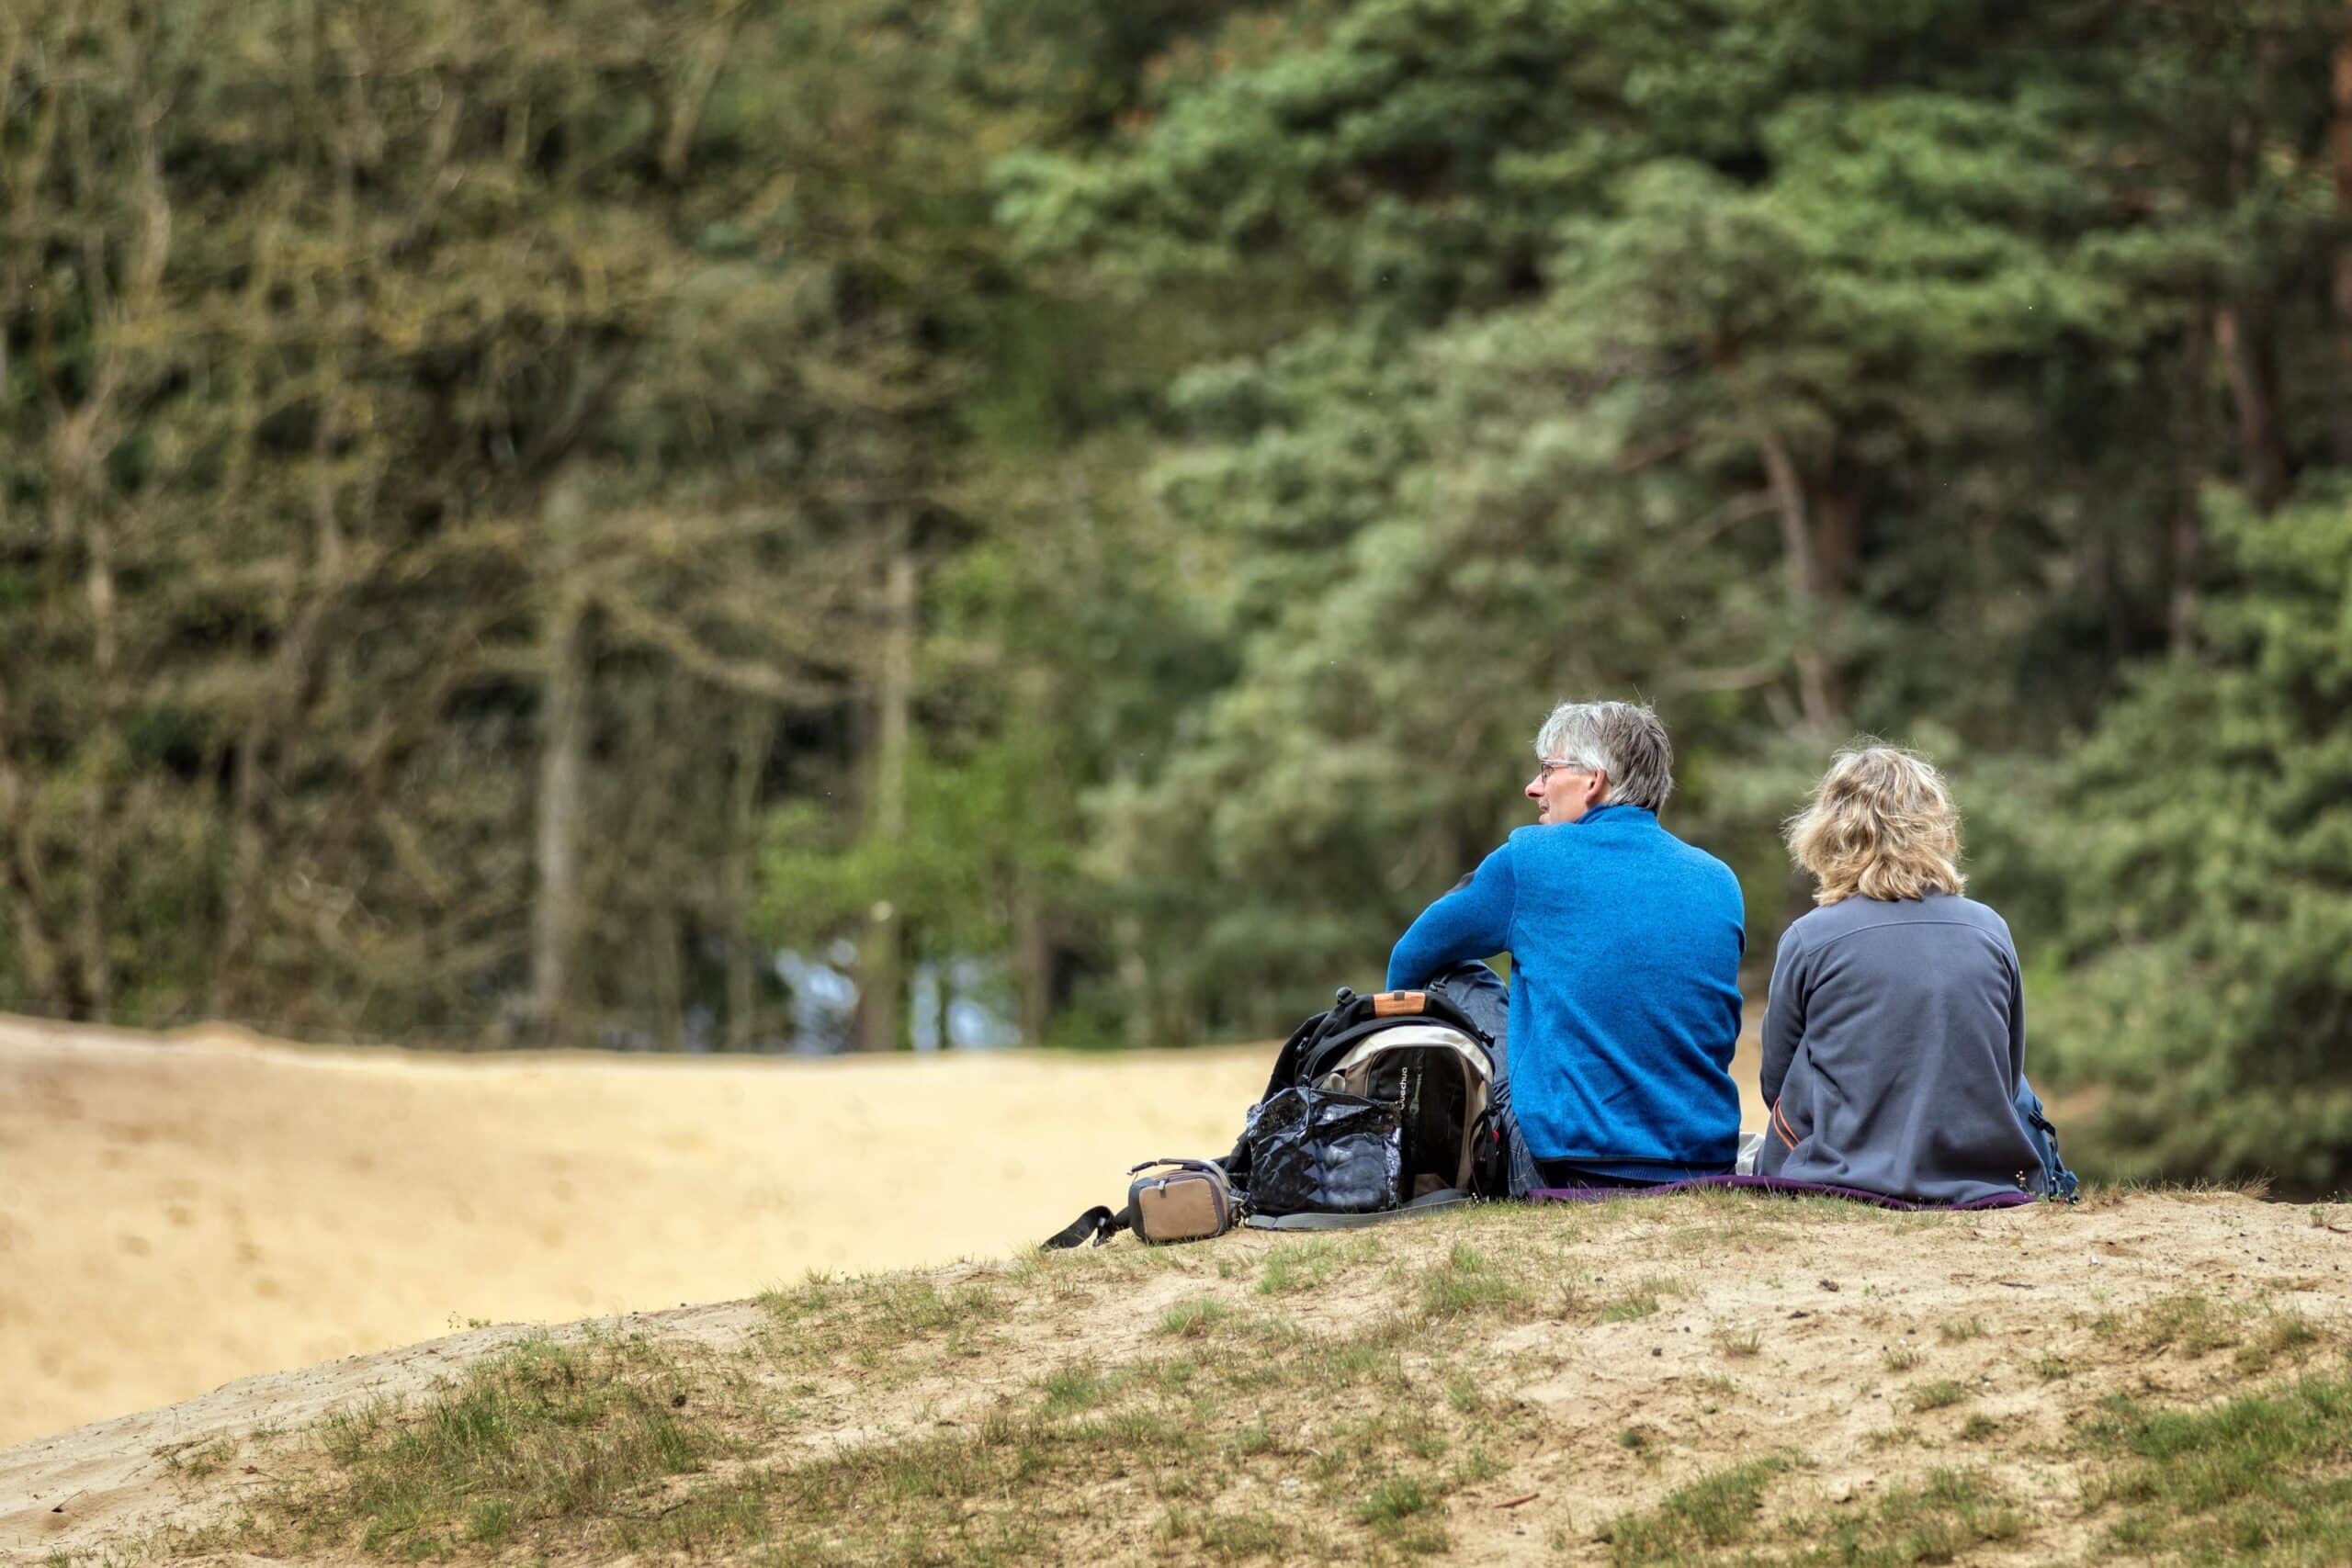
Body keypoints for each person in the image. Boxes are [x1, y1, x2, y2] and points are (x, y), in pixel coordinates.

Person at [1385, 701, 1746, 1190]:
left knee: (1453, 975)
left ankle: (1407, 1142)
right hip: (1704, 1161)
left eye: (1547, 770)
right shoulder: (1719, 879)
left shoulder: (1529, 859)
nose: (1533, 787)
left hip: (1566, 1166)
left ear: (1593, 780)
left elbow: (1411, 957)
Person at [1760, 746, 2049, 1203]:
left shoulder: (1809, 938)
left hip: (1840, 1170)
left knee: (1809, 1053)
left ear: (1831, 834)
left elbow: (1775, 1084)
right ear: (1934, 828)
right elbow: (2008, 1073)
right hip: (1976, 1174)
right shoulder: (1991, 928)